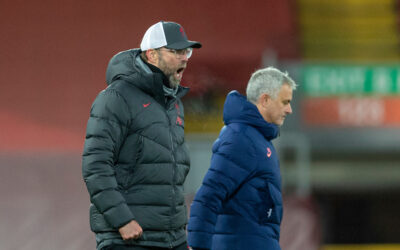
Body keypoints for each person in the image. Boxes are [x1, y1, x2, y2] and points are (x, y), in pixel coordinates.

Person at [82, 21, 201, 250]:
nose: (184, 58)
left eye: (186, 51)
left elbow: (172, 175)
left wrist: (179, 236)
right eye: (176, 51)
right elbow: (95, 165)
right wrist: (122, 220)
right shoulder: (116, 97)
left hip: (170, 238)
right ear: (152, 55)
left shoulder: (173, 103)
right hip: (129, 238)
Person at [187, 67, 297, 250]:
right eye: (285, 102)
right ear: (265, 100)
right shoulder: (242, 139)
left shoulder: (257, 139)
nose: (290, 109)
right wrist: (198, 247)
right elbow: (208, 197)